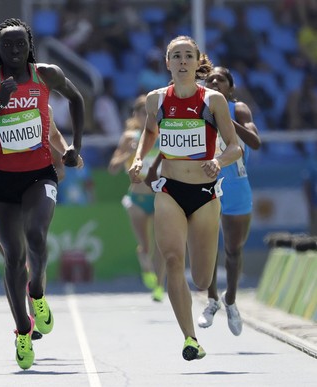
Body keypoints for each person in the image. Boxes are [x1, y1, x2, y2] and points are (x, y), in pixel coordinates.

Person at [0, 18, 84, 370]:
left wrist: (75, 145)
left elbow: (76, 99)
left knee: (36, 237)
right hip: (2, 182)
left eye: (20, 44)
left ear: (30, 45)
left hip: (40, 175)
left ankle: (38, 293)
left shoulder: (46, 74)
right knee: (13, 258)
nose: (14, 50)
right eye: (7, 45)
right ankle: (22, 331)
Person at [128, 36, 242, 361]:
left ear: (196, 62)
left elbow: (236, 147)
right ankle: (190, 338)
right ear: (167, 63)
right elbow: (150, 132)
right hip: (170, 190)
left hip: (205, 195)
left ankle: (209, 295)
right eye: (175, 56)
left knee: (203, 277)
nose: (181, 61)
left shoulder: (213, 100)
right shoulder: (156, 100)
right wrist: (140, 158)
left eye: (187, 56)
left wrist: (219, 161)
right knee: (174, 260)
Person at [197, 66, 262, 336]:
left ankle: (231, 300)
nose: (214, 82)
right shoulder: (197, 109)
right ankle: (211, 300)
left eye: (220, 80)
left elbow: (255, 142)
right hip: (206, 184)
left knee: (233, 250)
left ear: (230, 88)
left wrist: (224, 117)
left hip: (236, 185)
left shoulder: (240, 109)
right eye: (210, 79)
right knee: (208, 246)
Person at [108, 94, 166, 302]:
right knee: (146, 246)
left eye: (150, 113)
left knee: (161, 245)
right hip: (138, 198)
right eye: (142, 113)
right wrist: (128, 154)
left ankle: (159, 286)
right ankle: (145, 266)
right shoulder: (129, 138)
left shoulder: (162, 134)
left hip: (160, 196)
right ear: (136, 115)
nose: (146, 116)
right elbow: (112, 168)